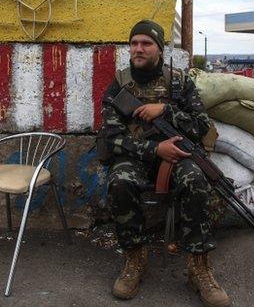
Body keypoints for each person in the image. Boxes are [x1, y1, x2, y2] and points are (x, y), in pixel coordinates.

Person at [96, 19, 230, 307]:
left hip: (177, 156)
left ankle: (199, 266)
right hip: (139, 156)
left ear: (159, 48)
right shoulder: (119, 85)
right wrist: (155, 148)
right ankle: (135, 259)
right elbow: (111, 139)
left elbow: (201, 124)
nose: (138, 49)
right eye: (134, 43)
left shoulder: (180, 82)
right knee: (120, 181)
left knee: (196, 178)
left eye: (146, 43)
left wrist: (167, 110)